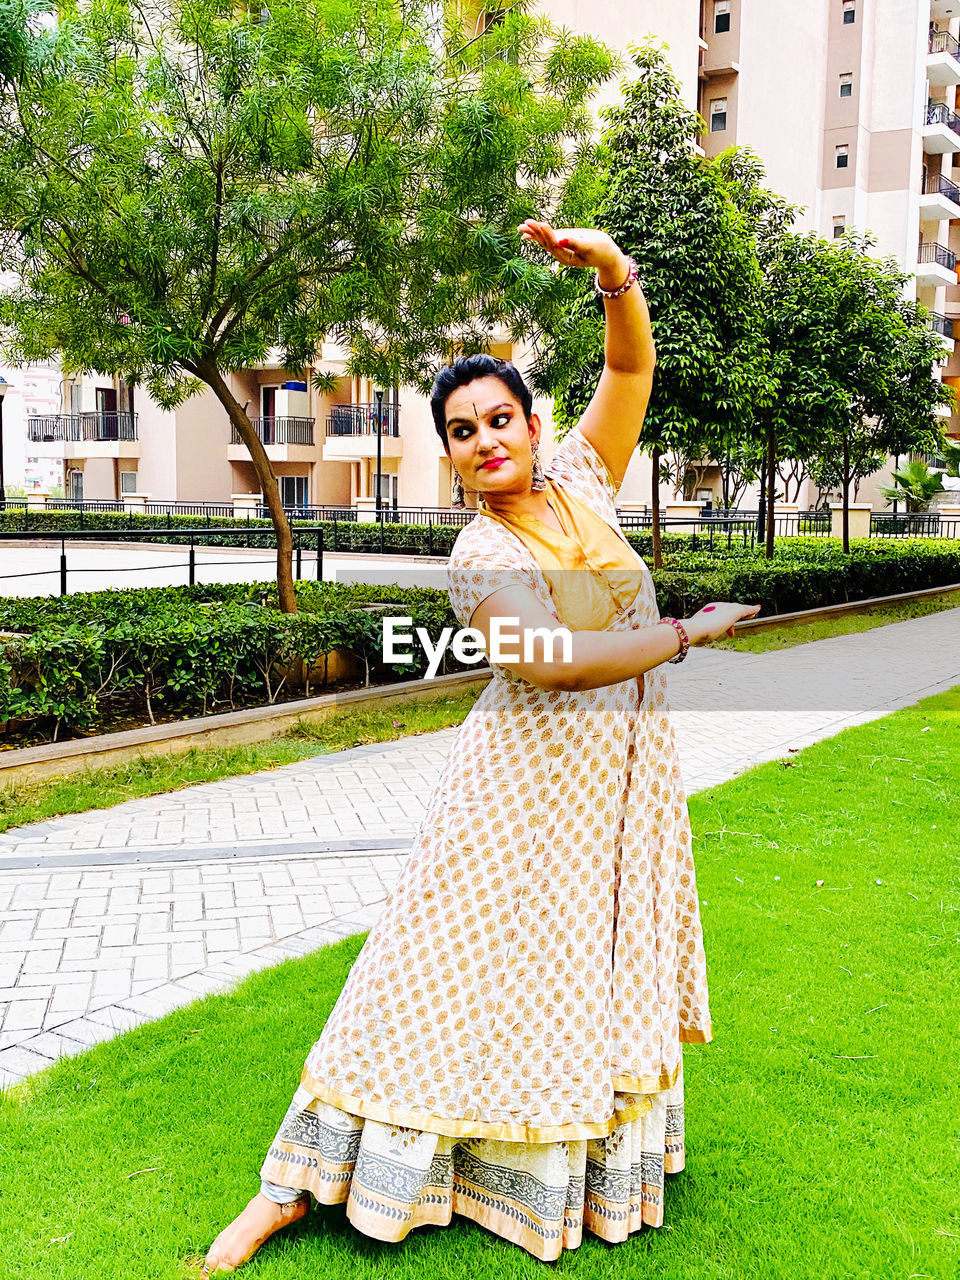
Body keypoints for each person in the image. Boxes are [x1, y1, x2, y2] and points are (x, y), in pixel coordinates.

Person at [199, 221, 760, 1273]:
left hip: (616, 786)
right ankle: (287, 1186)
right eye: (463, 429)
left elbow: (631, 361)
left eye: (501, 416)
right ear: (452, 456)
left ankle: (549, 1169)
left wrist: (614, 274)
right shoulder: (479, 548)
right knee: (424, 974)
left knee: (577, 973)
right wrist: (685, 632)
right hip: (513, 792)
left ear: (534, 424)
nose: (487, 437)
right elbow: (549, 658)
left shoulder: (585, 478)